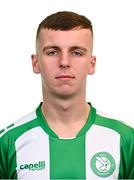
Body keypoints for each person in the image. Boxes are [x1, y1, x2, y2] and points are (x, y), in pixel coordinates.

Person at [0, 11, 134, 179]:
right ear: (36, 63)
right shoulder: (7, 143)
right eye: (52, 52)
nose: (64, 62)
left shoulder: (126, 140)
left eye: (76, 52)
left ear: (91, 64)